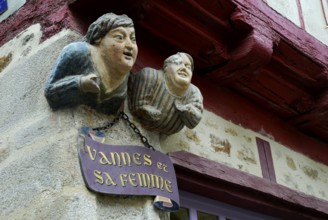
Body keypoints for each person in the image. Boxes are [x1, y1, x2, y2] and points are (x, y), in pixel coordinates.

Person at [44, 13, 138, 114]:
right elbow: (50, 92)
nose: (130, 45)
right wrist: (81, 83)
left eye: (133, 39)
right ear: (99, 39)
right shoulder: (78, 52)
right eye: (119, 37)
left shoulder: (125, 77)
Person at [128, 52, 203, 135]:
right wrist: (145, 109)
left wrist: (189, 110)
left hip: (167, 131)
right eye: (178, 63)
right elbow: (138, 106)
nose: (184, 68)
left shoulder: (194, 92)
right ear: (166, 67)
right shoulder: (150, 75)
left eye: (188, 67)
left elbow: (194, 121)